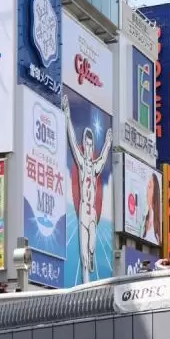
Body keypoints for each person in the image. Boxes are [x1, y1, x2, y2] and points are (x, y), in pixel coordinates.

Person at [62, 90, 112, 283]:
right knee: (83, 251)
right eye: (87, 144)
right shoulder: (82, 164)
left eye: (91, 146)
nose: (89, 148)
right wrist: (67, 114)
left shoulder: (95, 165)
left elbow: (105, 156)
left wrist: (107, 142)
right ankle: (85, 280)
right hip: (83, 211)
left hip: (93, 215)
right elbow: (73, 141)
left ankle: (91, 256)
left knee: (91, 246)